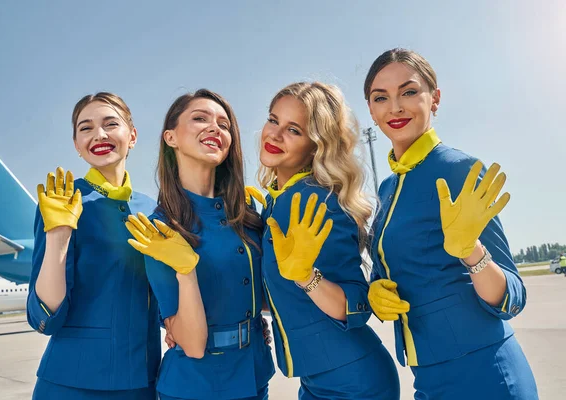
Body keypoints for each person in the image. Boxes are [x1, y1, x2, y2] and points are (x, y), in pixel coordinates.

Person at [364, 48, 538, 399]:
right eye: (381, 97)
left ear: (435, 98)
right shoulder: (387, 188)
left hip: (483, 373)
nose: (395, 107)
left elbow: (513, 298)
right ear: (371, 109)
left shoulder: (460, 170)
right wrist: (376, 289)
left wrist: (472, 252)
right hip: (426, 374)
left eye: (409, 92)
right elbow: (395, 267)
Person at [125, 89, 275, 399]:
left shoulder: (246, 213)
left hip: (255, 376)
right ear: (171, 137)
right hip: (196, 386)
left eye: (224, 124)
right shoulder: (162, 228)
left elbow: (263, 296)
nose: (215, 128)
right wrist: (185, 270)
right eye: (199, 119)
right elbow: (192, 345)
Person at [255, 81, 400, 399]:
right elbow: (281, 295)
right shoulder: (276, 203)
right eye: (273, 119)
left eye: (294, 130)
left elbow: (358, 306)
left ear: (316, 145)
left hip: (352, 382)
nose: (275, 134)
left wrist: (308, 277)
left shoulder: (316, 201)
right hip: (316, 379)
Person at [27, 92, 161, 399]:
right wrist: (58, 235)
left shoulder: (154, 209)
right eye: (85, 128)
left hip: (144, 379)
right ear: (76, 145)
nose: (99, 134)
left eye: (110, 123)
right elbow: (44, 317)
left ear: (133, 135)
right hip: (71, 382)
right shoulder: (61, 202)